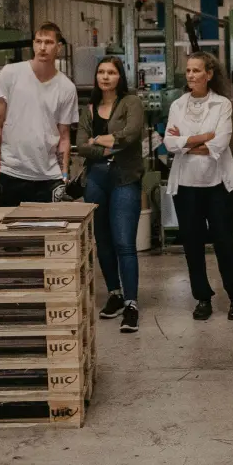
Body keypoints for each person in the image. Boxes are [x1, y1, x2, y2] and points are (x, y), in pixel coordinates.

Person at [164, 52, 233, 321]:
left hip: (217, 184)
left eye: (196, 70)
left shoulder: (222, 104)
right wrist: (202, 138)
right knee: (193, 245)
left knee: (225, 243)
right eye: (188, 70)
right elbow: (169, 143)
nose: (190, 75)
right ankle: (202, 298)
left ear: (209, 74)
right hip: (186, 186)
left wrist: (187, 143)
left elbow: (220, 143)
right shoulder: (177, 105)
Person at [77, 57, 147, 333]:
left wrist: (100, 140)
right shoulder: (90, 109)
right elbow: (82, 146)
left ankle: (131, 304)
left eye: (112, 72)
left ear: (120, 77)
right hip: (95, 179)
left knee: (124, 242)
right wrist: (103, 147)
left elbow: (130, 135)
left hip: (124, 178)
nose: (106, 77)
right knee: (102, 240)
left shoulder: (131, 103)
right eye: (101, 72)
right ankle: (115, 294)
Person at [0, 23, 79, 207]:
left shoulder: (67, 88)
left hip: (48, 178)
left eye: (49, 42)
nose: (43, 47)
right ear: (33, 44)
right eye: (38, 42)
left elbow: (64, 137)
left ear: (58, 47)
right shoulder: (11, 74)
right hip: (11, 173)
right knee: (4, 233)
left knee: (48, 233)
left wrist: (63, 176)